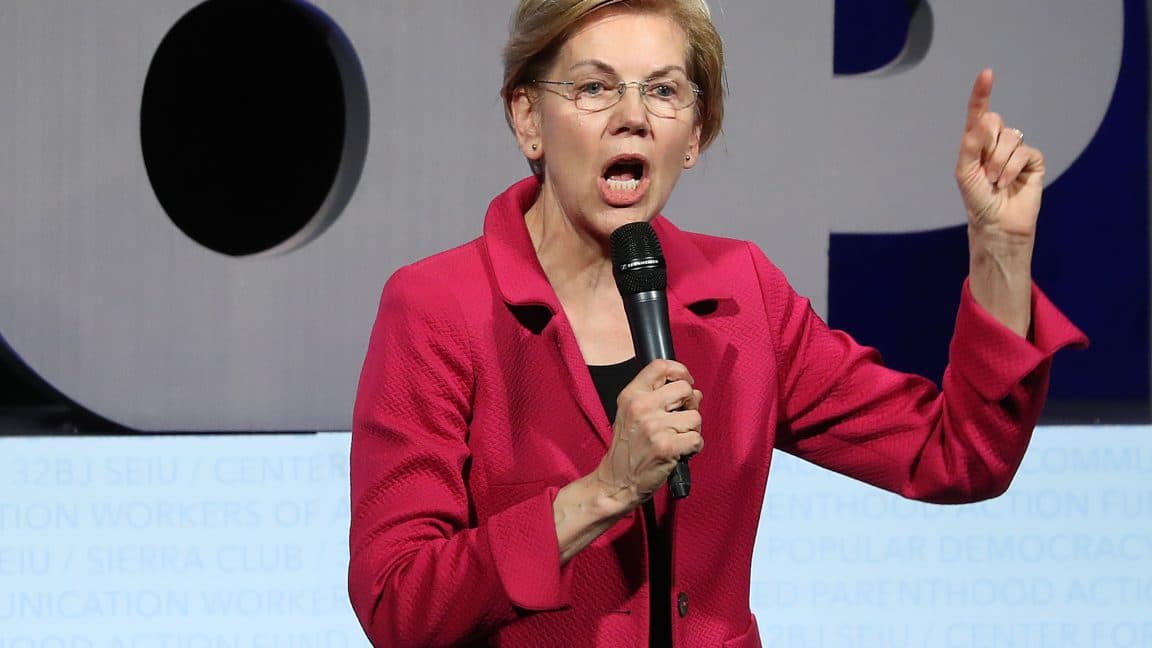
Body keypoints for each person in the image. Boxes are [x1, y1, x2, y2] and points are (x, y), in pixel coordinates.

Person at [348, 1, 1087, 646]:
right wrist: (603, 491)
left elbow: (956, 456)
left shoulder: (740, 294)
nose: (632, 115)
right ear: (528, 119)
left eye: (664, 91)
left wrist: (1001, 254)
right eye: (596, 86)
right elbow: (398, 605)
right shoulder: (438, 309)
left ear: (695, 135)